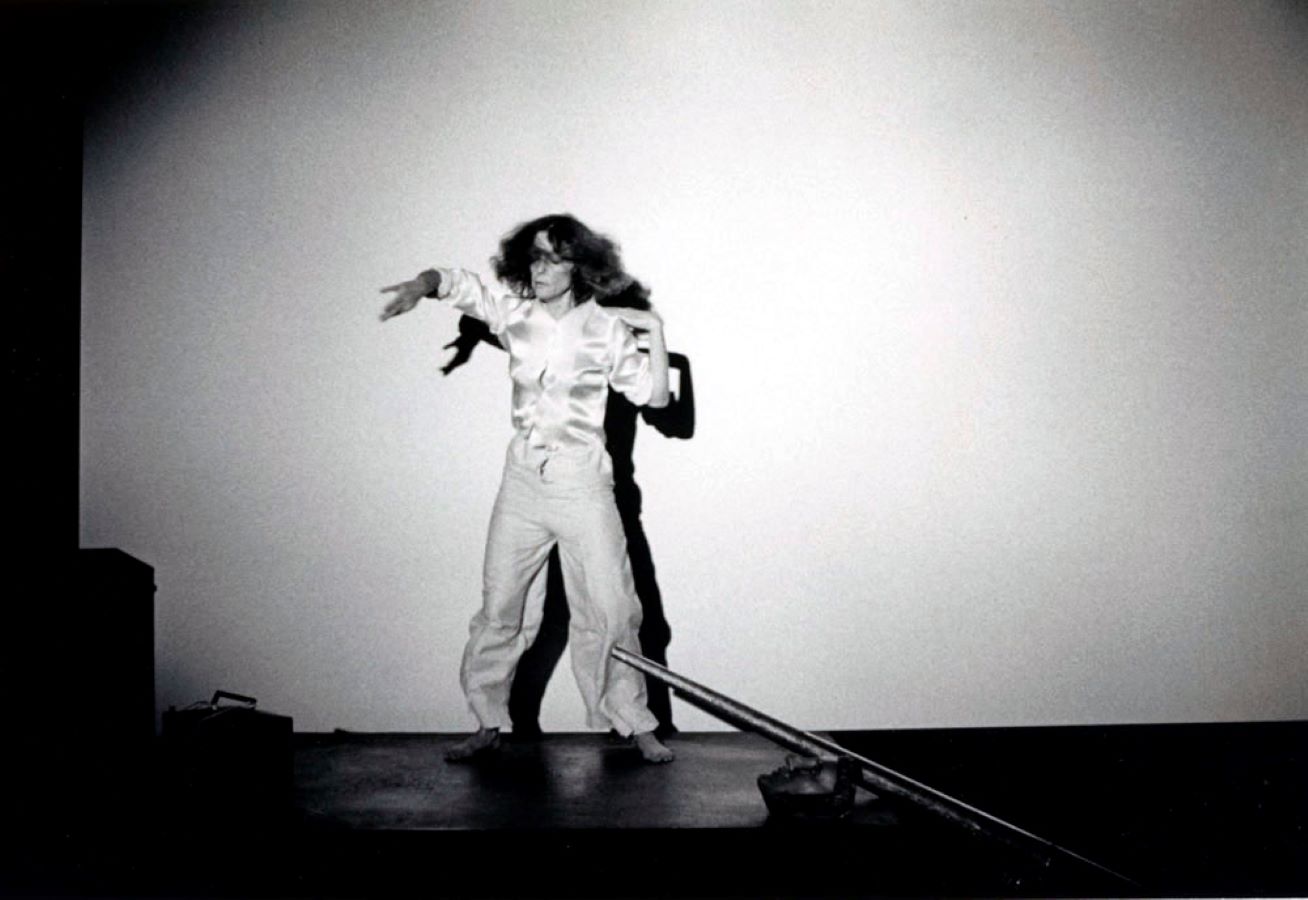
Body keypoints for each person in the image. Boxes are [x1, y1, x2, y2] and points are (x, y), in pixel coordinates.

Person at [378, 214, 675, 763]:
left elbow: (656, 401)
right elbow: (459, 284)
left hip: (582, 485)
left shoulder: (605, 329)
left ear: (579, 267)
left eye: (552, 259)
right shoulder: (516, 316)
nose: (539, 270)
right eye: (533, 258)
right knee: (501, 608)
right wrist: (421, 288)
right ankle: (489, 721)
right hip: (521, 484)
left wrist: (654, 335)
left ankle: (634, 724)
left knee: (610, 609)